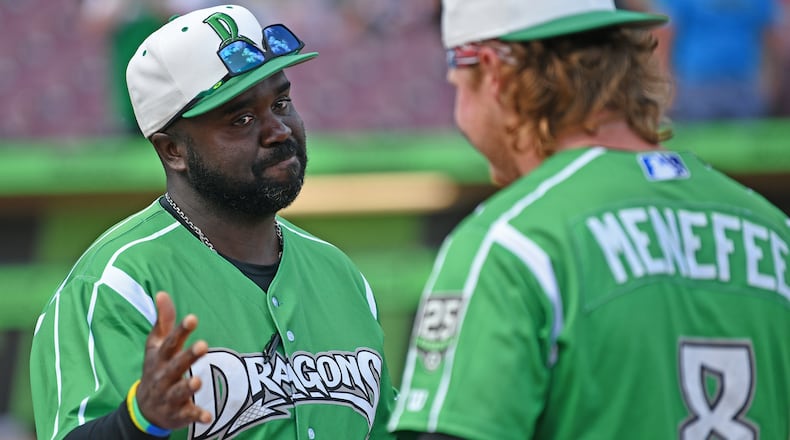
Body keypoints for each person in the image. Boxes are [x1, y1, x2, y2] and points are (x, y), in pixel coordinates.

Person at [388, 0, 790, 439]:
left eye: (458, 85)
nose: (459, 109)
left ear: (492, 73)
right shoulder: (775, 233)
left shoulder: (514, 242)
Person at [30, 5, 396, 439]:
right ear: (173, 151)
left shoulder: (340, 274)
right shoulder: (117, 284)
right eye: (241, 119)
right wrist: (138, 421)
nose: (278, 130)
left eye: (281, 102)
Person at [653, 0, 782, 121]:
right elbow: (664, 37)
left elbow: (770, 37)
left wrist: (771, 83)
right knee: (697, 140)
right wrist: (667, 86)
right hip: (696, 85)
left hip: (744, 85)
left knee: (746, 141)